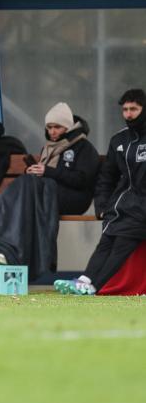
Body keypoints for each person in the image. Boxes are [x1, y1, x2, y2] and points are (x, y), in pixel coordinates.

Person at [0, 102, 99, 276]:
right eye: (49, 127)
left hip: (74, 198)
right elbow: (46, 176)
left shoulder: (84, 147)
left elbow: (82, 179)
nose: (52, 132)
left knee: (27, 186)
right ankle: (4, 253)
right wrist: (34, 171)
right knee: (27, 184)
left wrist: (47, 171)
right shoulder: (48, 147)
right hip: (47, 193)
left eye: (57, 127)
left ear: (68, 126)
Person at [56, 89, 146, 295]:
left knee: (121, 243)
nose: (129, 114)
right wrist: (102, 204)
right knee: (106, 241)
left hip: (141, 208)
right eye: (125, 109)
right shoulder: (119, 140)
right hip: (122, 205)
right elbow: (107, 177)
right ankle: (84, 280)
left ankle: (93, 287)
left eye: (134, 109)